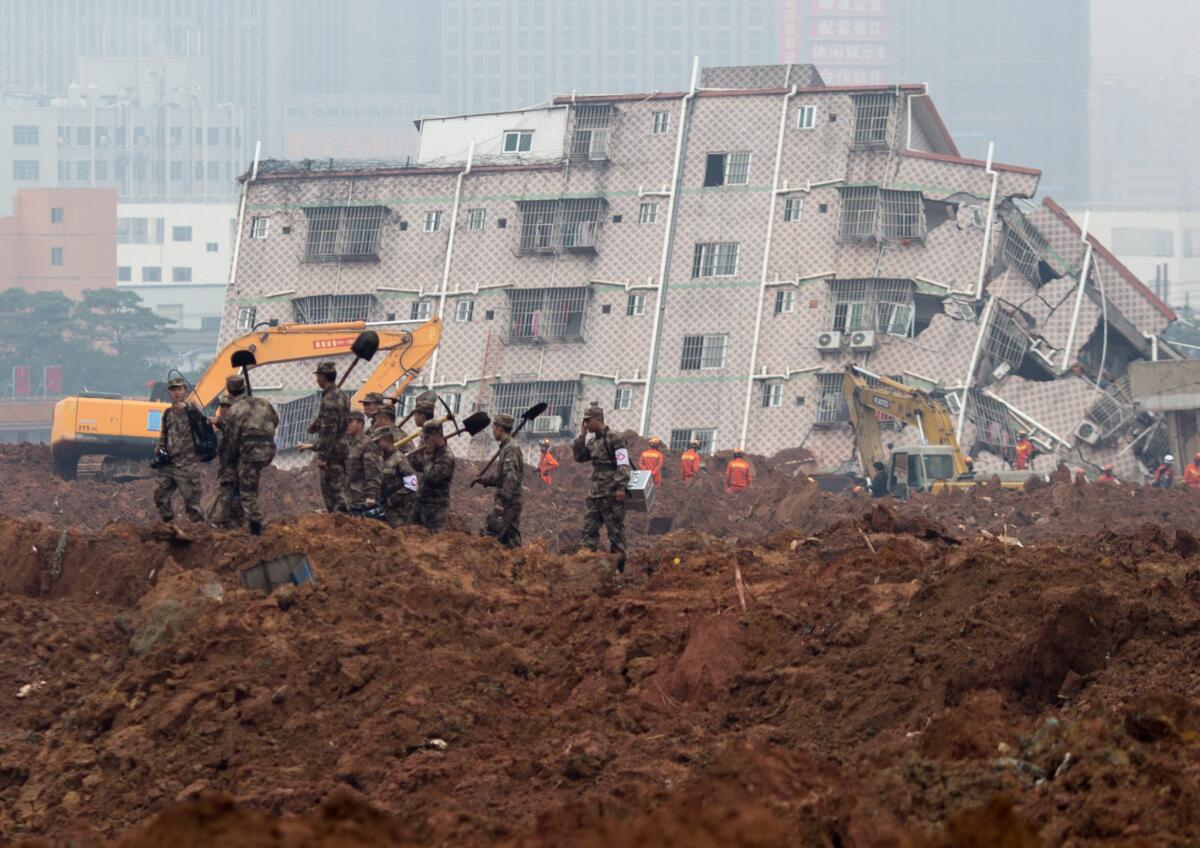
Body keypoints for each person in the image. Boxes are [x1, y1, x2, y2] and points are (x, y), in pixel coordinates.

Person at [572, 406, 631, 573]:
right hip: (595, 495)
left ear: (598, 419)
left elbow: (623, 464)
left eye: (588, 420)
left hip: (612, 494)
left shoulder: (615, 438)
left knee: (616, 534)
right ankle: (586, 568)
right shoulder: (592, 441)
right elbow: (579, 457)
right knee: (588, 530)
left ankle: (619, 570)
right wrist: (582, 436)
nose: (586, 423)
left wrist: (620, 487)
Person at [221, 374, 278, 535]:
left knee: (247, 492)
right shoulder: (264, 403)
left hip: (250, 453)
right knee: (248, 481)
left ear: (230, 391)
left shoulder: (234, 410)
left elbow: (231, 441)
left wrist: (228, 463)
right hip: (268, 450)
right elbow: (275, 421)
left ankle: (255, 528)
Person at [153, 376, 205, 523]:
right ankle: (169, 524)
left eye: (179, 389)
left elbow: (200, 419)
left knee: (192, 502)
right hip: (169, 462)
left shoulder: (193, 409)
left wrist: (187, 408)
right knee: (160, 495)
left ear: (185, 391)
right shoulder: (168, 413)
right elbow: (164, 433)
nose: (176, 393)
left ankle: (199, 531)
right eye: (173, 390)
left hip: (187, 464)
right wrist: (160, 448)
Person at [301, 360, 350, 513]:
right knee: (337, 486)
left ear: (322, 377)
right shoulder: (342, 396)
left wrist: (322, 456)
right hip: (341, 447)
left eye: (318, 377)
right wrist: (315, 425)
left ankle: (341, 520)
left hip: (332, 452)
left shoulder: (329, 400)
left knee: (333, 490)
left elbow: (329, 432)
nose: (317, 380)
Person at [474, 412, 524, 548]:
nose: (493, 431)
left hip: (508, 502)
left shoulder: (511, 449)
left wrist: (502, 501)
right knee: (510, 539)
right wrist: (485, 481)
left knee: (490, 532)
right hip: (511, 501)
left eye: (494, 427)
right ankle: (519, 564)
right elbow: (503, 478)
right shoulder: (506, 447)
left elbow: (510, 477)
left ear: (501, 429)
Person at [410, 420, 456, 531]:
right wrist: (414, 456)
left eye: (426, 438)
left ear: (436, 437)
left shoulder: (446, 457)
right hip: (420, 502)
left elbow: (433, 477)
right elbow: (419, 467)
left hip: (436, 509)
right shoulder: (432, 451)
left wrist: (427, 457)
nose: (424, 441)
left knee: (432, 542)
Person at [210, 393, 245, 529]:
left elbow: (231, 430)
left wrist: (217, 421)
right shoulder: (226, 425)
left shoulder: (236, 424)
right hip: (228, 469)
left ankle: (231, 523)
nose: (223, 409)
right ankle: (234, 523)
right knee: (231, 497)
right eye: (222, 406)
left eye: (227, 407)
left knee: (231, 497)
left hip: (236, 469)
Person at [374, 427, 418, 528]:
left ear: (387, 440)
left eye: (378, 441)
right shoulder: (380, 459)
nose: (376, 445)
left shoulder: (399, 459)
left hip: (398, 510)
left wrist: (392, 498)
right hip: (382, 507)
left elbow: (412, 484)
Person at [345, 410, 382, 512]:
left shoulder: (367, 444)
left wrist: (371, 496)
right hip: (347, 495)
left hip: (360, 497)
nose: (347, 425)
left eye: (350, 422)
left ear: (360, 423)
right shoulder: (347, 444)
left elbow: (373, 472)